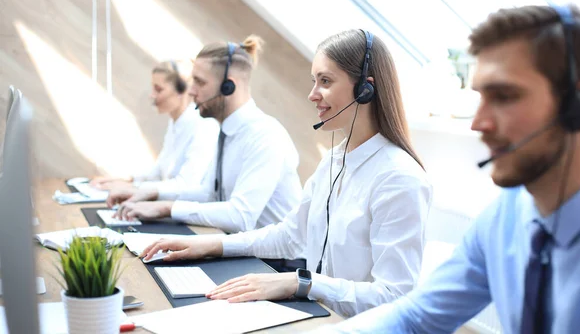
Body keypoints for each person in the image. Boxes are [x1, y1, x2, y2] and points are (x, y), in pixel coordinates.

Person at [318, 5, 580, 333]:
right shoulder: (503, 219)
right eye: (480, 97)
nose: (479, 123)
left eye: (505, 96)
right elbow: (415, 317)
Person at [141, 29, 432, 317]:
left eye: (325, 81)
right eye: (314, 81)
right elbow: (289, 235)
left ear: (364, 90)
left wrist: (300, 282)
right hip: (322, 316)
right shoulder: (334, 160)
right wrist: (208, 245)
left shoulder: (399, 178)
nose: (312, 95)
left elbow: (394, 296)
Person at [105, 35, 303, 234]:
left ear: (229, 87)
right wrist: (149, 194)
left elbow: (240, 217)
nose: (190, 91)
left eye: (199, 82)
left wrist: (167, 207)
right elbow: (209, 193)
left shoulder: (264, 135)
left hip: (277, 263)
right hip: (246, 250)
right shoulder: (226, 130)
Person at [90, 60, 219, 192]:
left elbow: (187, 184)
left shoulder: (203, 126)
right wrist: (125, 179)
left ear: (181, 91)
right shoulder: (175, 122)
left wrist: (132, 187)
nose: (152, 95)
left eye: (158, 90)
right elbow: (159, 170)